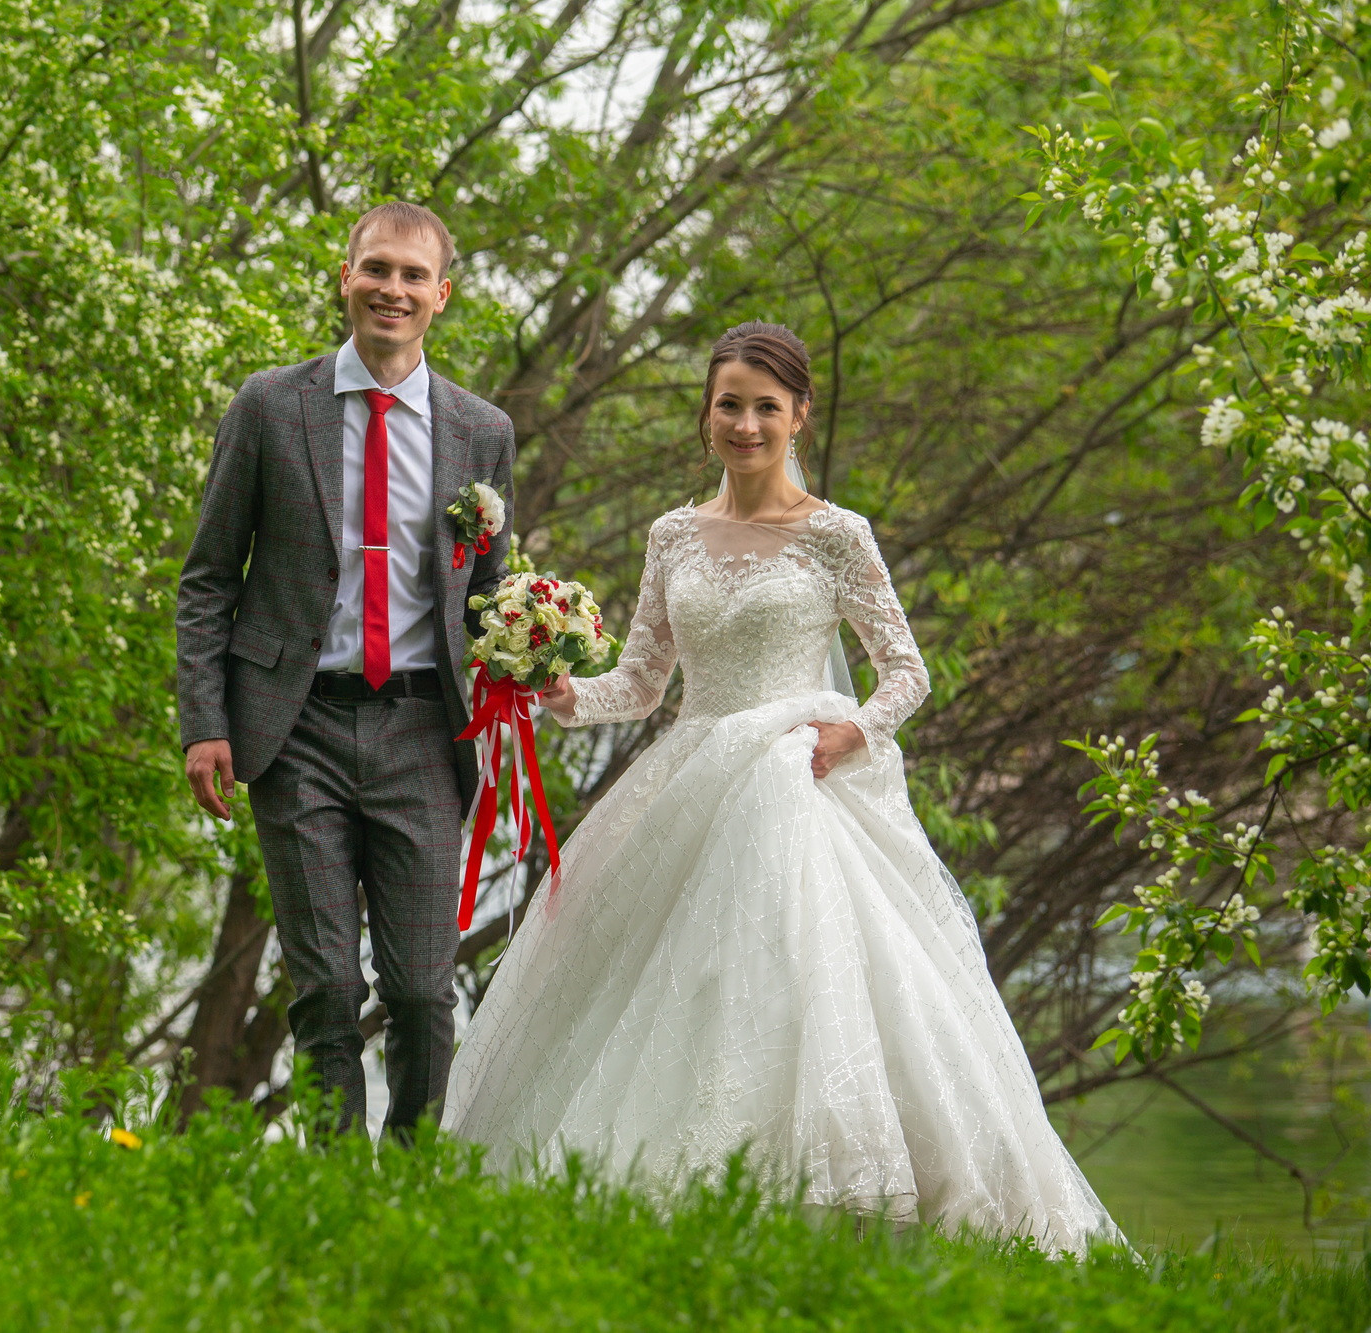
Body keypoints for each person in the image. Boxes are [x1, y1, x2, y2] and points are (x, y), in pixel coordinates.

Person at [441, 322, 1121, 1252]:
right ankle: (679, 1199)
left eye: (767, 407)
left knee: (804, 969)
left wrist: (856, 730)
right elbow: (641, 683)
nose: (747, 424)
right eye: (730, 404)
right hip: (693, 777)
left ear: (800, 415)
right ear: (706, 415)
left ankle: (843, 1199)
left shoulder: (838, 535)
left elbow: (906, 671)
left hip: (798, 775)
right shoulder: (672, 535)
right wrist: (563, 694)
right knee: (675, 983)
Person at [175, 202, 515, 1139]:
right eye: (377, 269)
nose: (392, 289)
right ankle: (330, 1187)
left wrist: (535, 651)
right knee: (324, 983)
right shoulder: (269, 406)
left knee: (419, 990)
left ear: (442, 295)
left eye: (413, 275)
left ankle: (409, 1181)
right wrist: (206, 721)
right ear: (346, 278)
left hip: (423, 731)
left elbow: (490, 592)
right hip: (296, 728)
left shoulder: (481, 430)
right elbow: (209, 578)